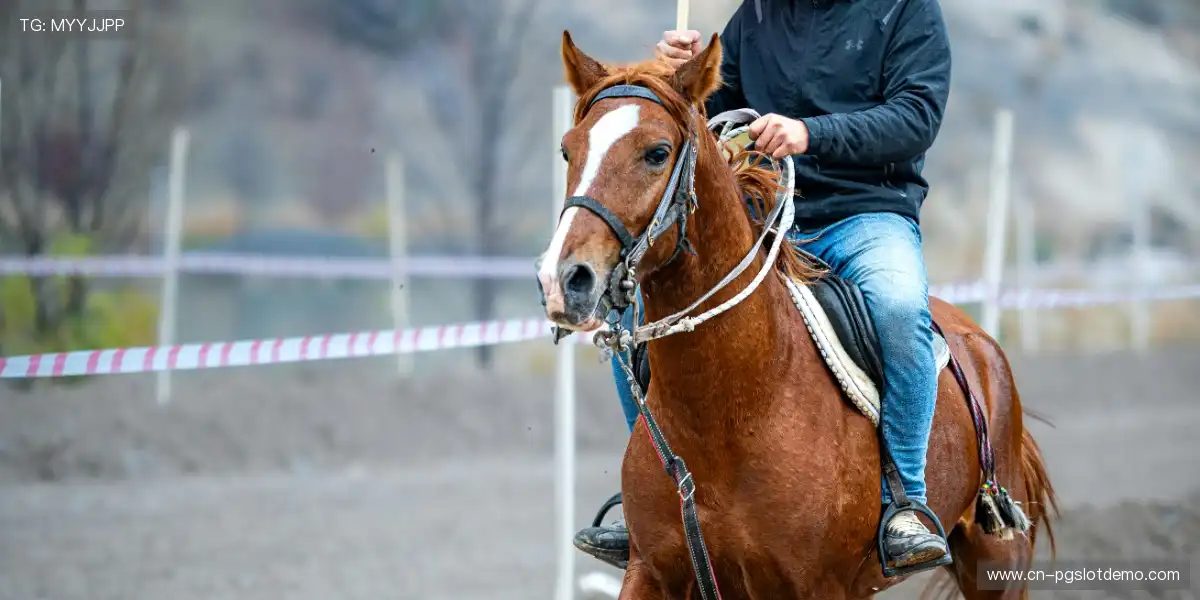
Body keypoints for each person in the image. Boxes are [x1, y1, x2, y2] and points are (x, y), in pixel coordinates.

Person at [572, 0, 954, 573]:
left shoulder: (906, 10)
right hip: (765, 214)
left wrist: (809, 133)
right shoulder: (757, 15)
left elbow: (916, 116)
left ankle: (906, 501)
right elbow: (707, 122)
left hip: (867, 215)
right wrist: (680, 80)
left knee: (899, 309)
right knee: (629, 322)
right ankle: (650, 498)